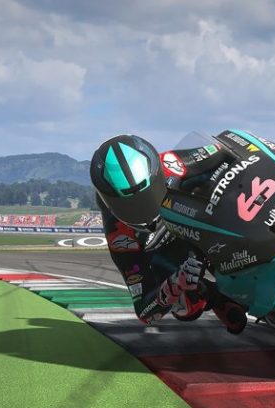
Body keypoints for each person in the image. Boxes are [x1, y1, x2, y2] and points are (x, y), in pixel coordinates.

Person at [90, 134, 247, 333]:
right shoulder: (121, 238)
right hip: (173, 256)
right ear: (108, 202)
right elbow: (144, 311)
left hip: (204, 221)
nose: (142, 210)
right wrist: (176, 283)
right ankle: (216, 298)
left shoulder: (172, 163)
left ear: (156, 174)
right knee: (186, 305)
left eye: (147, 195)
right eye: (129, 205)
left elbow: (227, 149)